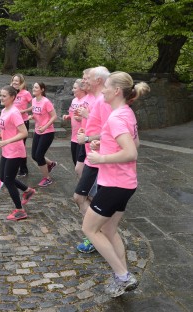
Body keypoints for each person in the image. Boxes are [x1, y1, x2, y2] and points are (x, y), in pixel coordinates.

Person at [82, 71, 150, 297]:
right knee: (109, 229)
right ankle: (121, 275)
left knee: (89, 228)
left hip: (115, 184)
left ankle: (123, 275)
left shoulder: (116, 117)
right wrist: (103, 145)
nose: (103, 91)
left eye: (106, 87)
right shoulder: (126, 113)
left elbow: (131, 152)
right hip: (125, 183)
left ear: (117, 91)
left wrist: (101, 158)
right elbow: (135, 142)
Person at [73, 66, 111, 253]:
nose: (83, 80)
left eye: (87, 77)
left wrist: (88, 138)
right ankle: (96, 234)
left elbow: (109, 132)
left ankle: (96, 235)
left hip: (97, 157)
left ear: (98, 80)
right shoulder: (97, 100)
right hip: (90, 155)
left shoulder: (103, 101)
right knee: (83, 197)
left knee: (83, 198)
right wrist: (85, 130)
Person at [0, 86, 36, 221]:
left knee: (9, 180)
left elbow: (24, 133)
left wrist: (6, 142)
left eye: (4, 96)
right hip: (7, 150)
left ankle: (20, 210)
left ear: (12, 97)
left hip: (15, 150)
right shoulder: (5, 110)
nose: (1, 98)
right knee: (4, 178)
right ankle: (28, 190)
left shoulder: (14, 113)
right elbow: (7, 130)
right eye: (0, 96)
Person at [30, 82, 58, 187]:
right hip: (38, 131)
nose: (34, 88)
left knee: (39, 155)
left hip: (47, 132)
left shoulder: (46, 101)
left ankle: (47, 179)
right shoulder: (33, 100)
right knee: (34, 155)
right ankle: (51, 164)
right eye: (33, 87)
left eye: (36, 87)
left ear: (42, 90)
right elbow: (37, 113)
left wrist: (45, 126)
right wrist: (32, 117)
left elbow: (54, 116)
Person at [62, 79, 87, 177]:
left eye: (75, 88)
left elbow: (92, 118)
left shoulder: (87, 101)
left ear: (82, 89)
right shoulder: (74, 100)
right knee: (75, 161)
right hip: (73, 136)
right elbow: (72, 113)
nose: (72, 90)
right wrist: (68, 116)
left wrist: (82, 118)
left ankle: (84, 184)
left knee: (80, 164)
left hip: (82, 136)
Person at [10, 74, 33, 177]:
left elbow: (35, 105)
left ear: (21, 83)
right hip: (12, 123)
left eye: (17, 81)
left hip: (23, 122)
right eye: (13, 80)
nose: (15, 82)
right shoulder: (11, 92)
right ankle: (14, 167)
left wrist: (25, 110)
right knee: (13, 145)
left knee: (21, 146)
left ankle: (23, 169)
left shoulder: (26, 93)